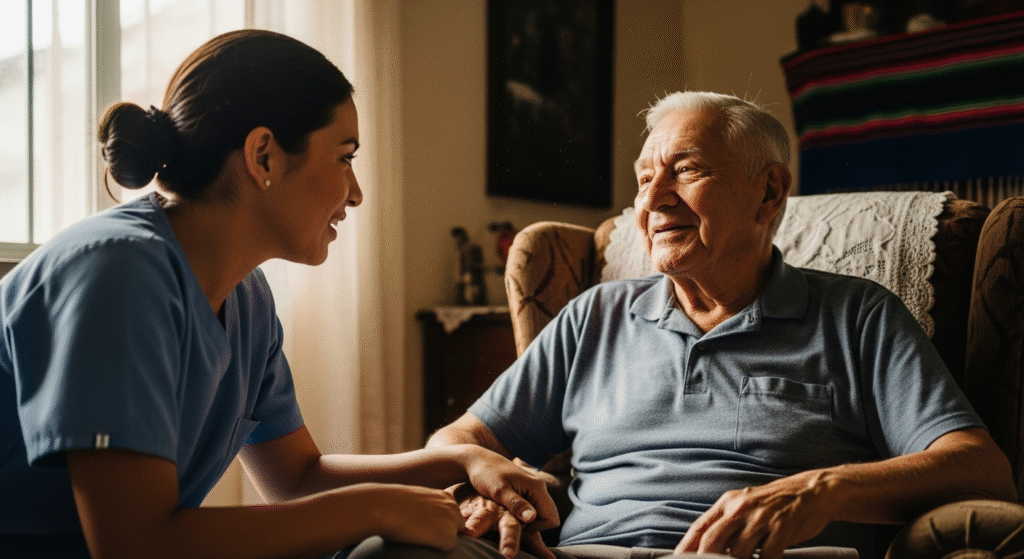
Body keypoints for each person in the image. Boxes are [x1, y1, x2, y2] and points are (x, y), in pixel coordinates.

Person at [349, 91, 1017, 559]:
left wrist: (824, 488)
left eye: (686, 170)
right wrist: (478, 481)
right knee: (386, 548)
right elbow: (459, 438)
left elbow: (982, 472)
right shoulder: (594, 316)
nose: (653, 199)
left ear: (769, 191)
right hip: (579, 553)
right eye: (644, 179)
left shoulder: (857, 316)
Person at [0, 30, 556, 559]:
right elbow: (137, 546)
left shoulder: (246, 298)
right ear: (263, 155)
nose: (356, 194)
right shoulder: (117, 273)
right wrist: (375, 509)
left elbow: (296, 479)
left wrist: (459, 460)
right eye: (345, 156)